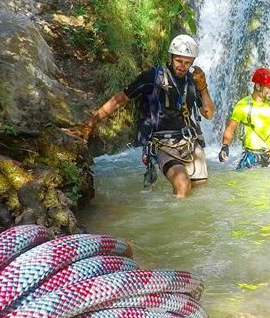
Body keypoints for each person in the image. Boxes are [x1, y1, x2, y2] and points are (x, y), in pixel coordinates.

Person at [74, 34, 215, 197]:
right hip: (163, 143)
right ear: (171, 57)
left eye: (187, 62)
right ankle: (174, 222)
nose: (182, 66)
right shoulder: (152, 77)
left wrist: (203, 87)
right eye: (178, 61)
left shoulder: (193, 81)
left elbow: (209, 114)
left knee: (200, 192)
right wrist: (91, 123)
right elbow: (120, 99)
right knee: (182, 184)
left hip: (190, 143)